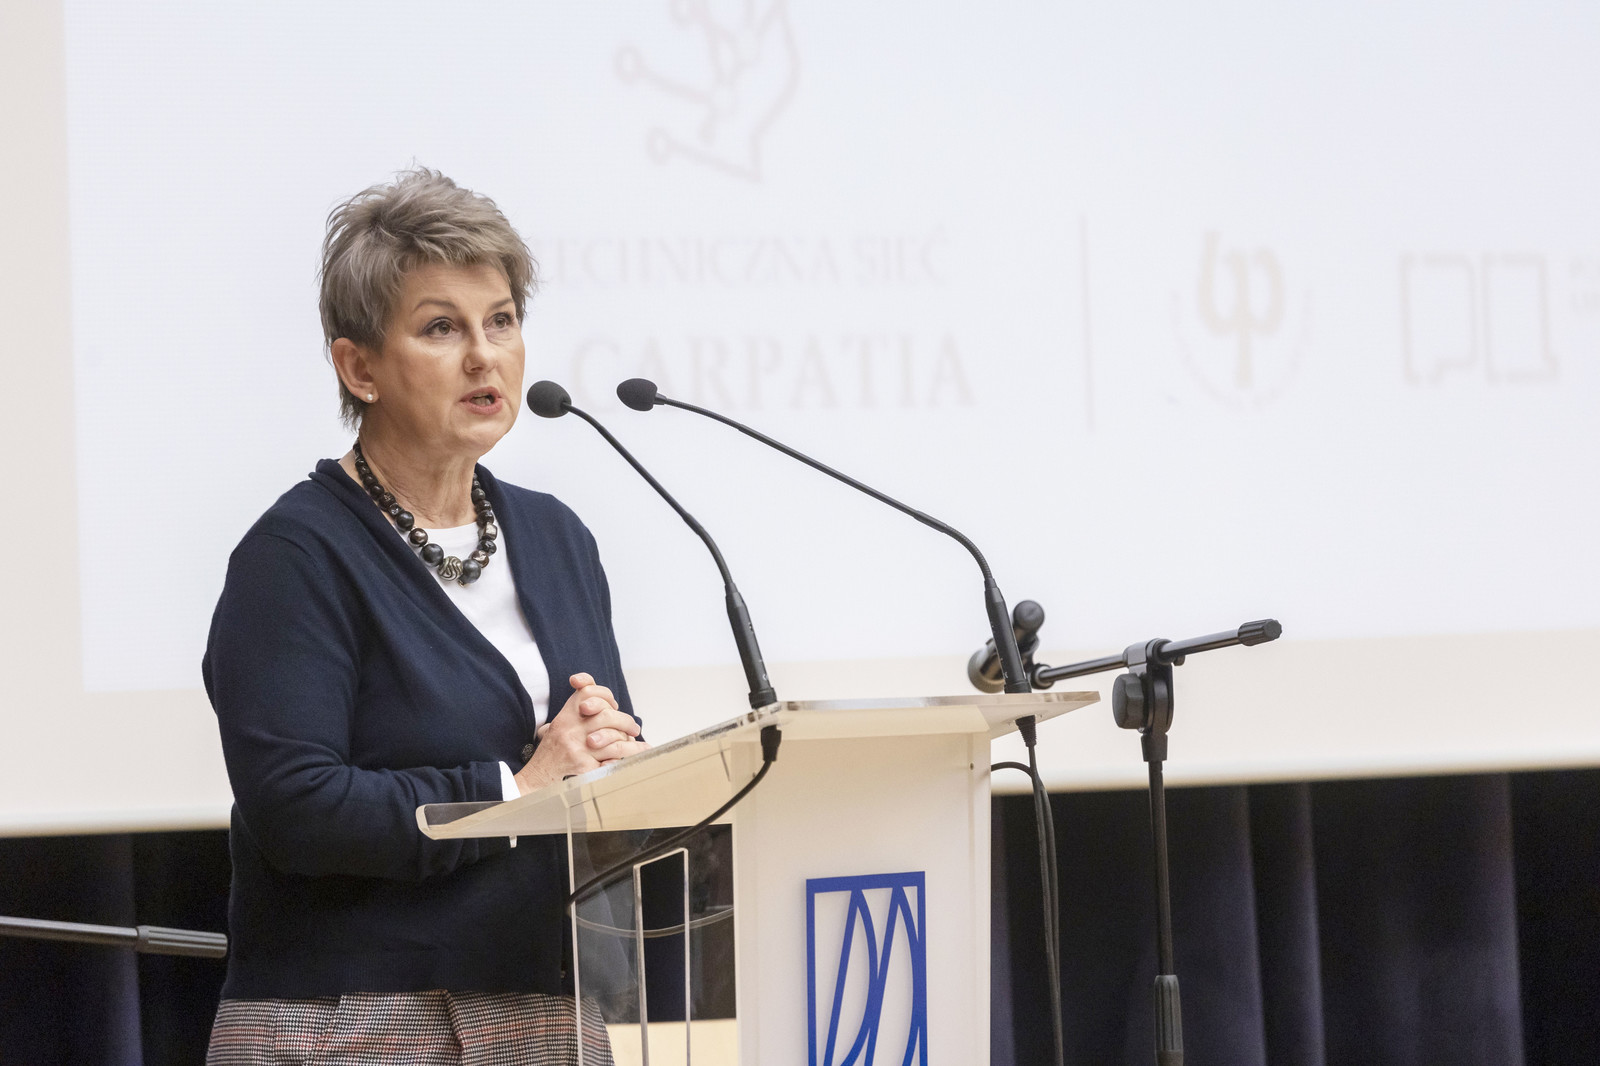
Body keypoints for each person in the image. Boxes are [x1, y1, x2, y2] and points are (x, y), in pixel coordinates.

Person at [202, 168, 646, 1065]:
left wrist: (614, 758)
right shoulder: (296, 557)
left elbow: (577, 766)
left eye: (501, 321)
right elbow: (297, 806)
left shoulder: (557, 537)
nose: (485, 357)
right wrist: (515, 789)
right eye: (442, 328)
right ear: (358, 367)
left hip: (548, 1012)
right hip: (350, 1025)